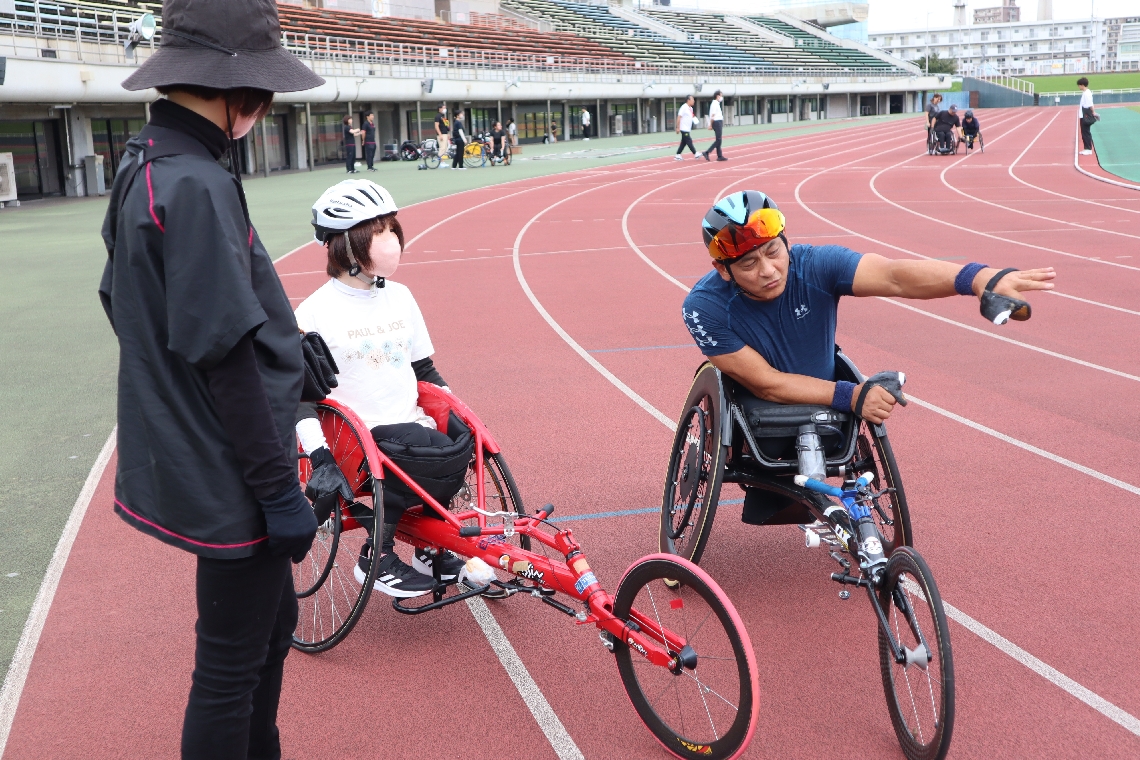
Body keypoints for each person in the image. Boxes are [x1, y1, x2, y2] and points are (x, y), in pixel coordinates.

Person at [98, 0, 325, 757]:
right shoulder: (193, 183)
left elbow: (143, 308)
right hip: (232, 465)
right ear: (244, 98)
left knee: (272, 629)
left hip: (210, 450)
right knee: (230, 666)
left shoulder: (149, 162)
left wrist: (291, 353)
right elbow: (222, 355)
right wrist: (279, 494)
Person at [682, 191, 1054, 429]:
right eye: (748, 265)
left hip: (826, 398)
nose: (767, 271)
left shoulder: (816, 265)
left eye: (773, 253)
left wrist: (978, 280)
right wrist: (852, 395)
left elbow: (894, 276)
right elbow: (767, 383)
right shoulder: (704, 307)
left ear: (786, 242)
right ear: (723, 271)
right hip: (759, 411)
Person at [296, 180, 471, 597]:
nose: (390, 240)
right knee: (422, 447)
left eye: (392, 229)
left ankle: (429, 549)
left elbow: (423, 367)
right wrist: (319, 459)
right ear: (345, 246)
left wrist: (457, 408)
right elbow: (298, 398)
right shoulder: (313, 313)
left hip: (411, 424)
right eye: (377, 232)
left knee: (461, 440)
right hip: (356, 439)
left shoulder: (402, 297)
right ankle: (376, 555)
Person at [702, 89, 726, 162]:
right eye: (721, 96)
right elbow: (712, 115)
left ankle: (720, 155)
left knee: (719, 139)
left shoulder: (716, 103)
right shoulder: (714, 104)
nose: (721, 97)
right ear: (717, 96)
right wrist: (710, 124)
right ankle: (707, 152)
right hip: (716, 122)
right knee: (718, 140)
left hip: (718, 121)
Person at [675, 94, 698, 161]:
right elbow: (679, 117)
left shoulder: (690, 108)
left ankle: (678, 154)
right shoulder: (684, 107)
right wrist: (678, 127)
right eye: (692, 99)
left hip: (688, 128)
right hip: (683, 128)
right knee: (689, 140)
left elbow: (692, 116)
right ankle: (695, 153)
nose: (694, 101)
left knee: (684, 142)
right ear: (688, 100)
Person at [1077, 77, 1096, 156]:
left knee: (1086, 132)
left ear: (1082, 85)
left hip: (1086, 114)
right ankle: (1086, 148)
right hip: (1083, 114)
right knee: (1084, 132)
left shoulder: (1087, 93)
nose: (1078, 87)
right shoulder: (1085, 93)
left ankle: (1088, 149)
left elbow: (1090, 104)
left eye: (1079, 85)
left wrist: (1093, 112)